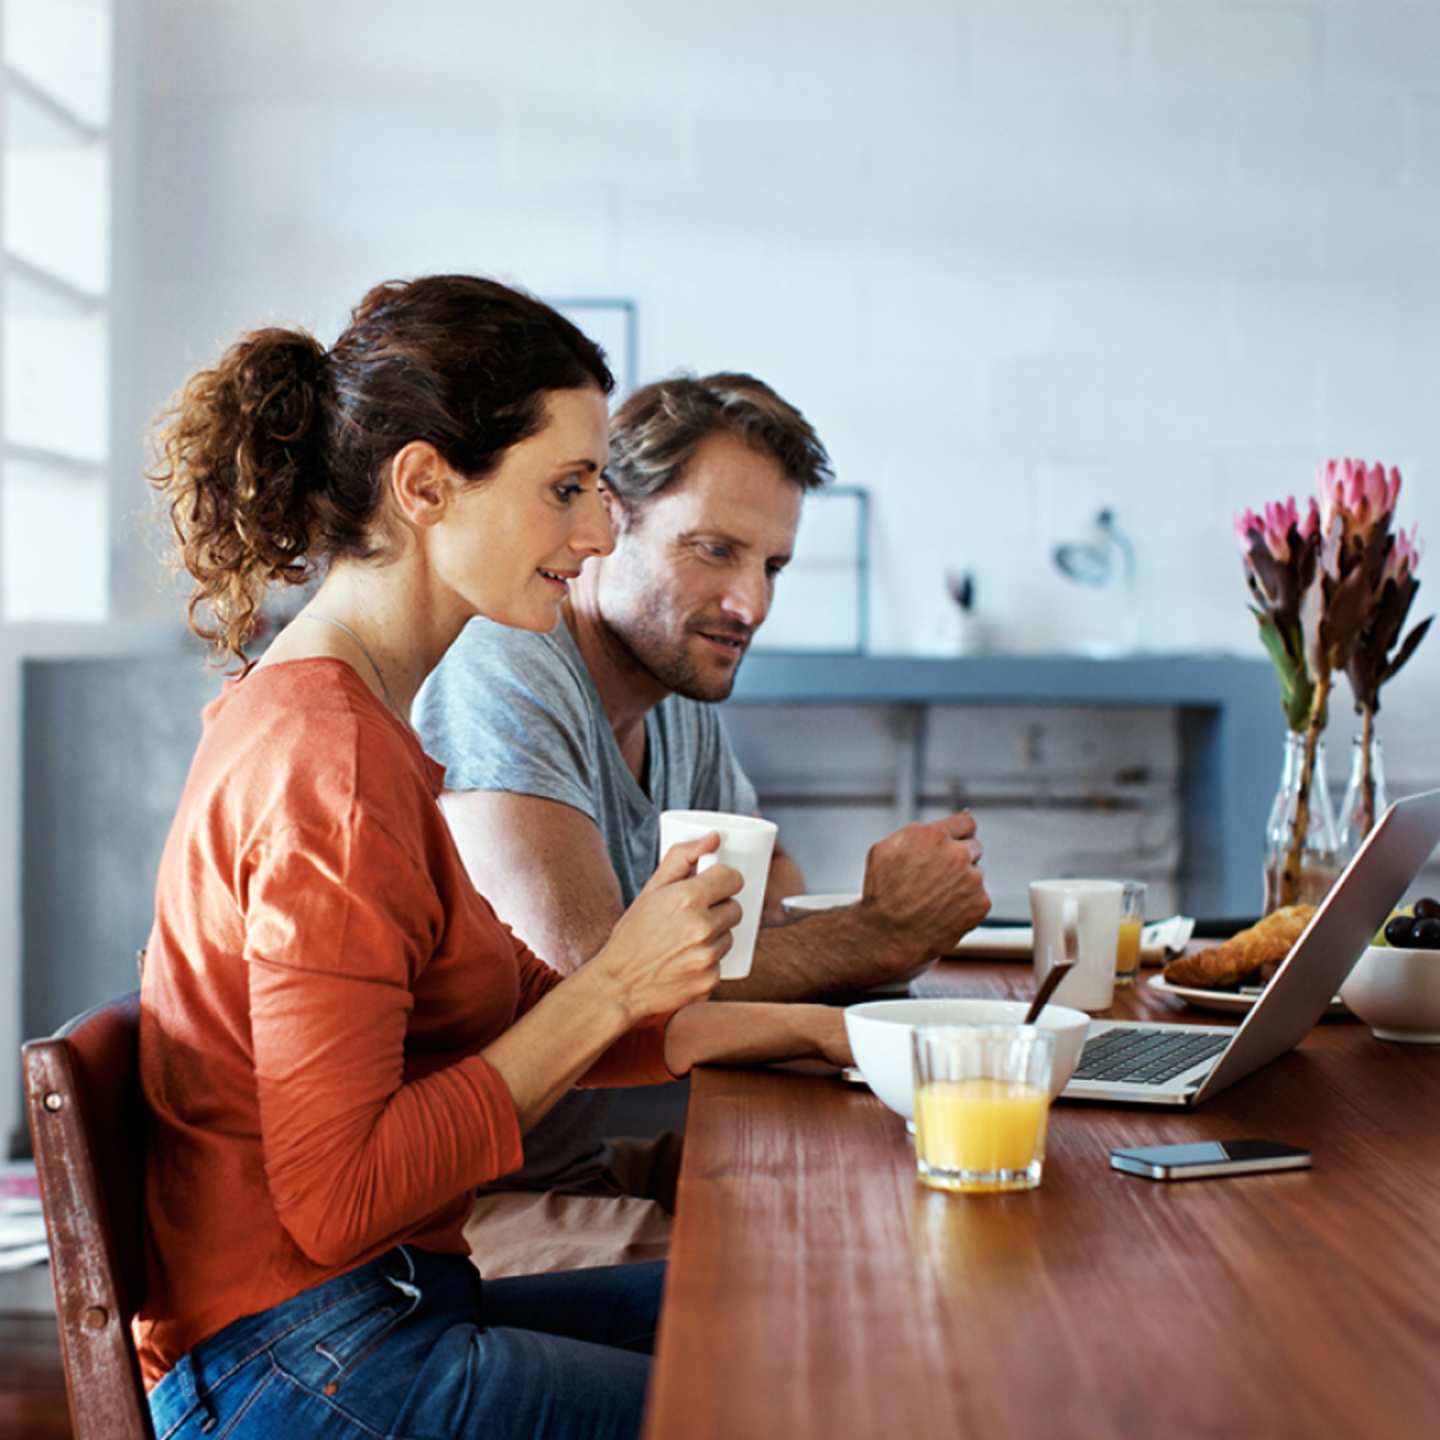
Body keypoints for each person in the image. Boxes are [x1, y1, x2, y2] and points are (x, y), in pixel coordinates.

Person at [137, 275, 851, 1440]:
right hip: (305, 1364)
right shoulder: (334, 762)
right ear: (423, 486)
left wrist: (828, 1035)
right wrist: (623, 973)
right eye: (567, 488)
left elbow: (533, 1015)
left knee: (812, 1314)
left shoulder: (361, 724)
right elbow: (338, 1197)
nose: (600, 530)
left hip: (378, 1316)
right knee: (793, 1400)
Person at [414, 372, 991, 1275]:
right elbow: (594, 985)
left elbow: (772, 907)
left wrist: (870, 944)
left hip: (580, 1171)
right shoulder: (507, 667)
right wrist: (877, 936)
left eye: (772, 566)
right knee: (799, 1287)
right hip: (460, 1212)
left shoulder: (676, 701)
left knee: (890, 1203)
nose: (751, 605)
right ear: (606, 521)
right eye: (713, 550)